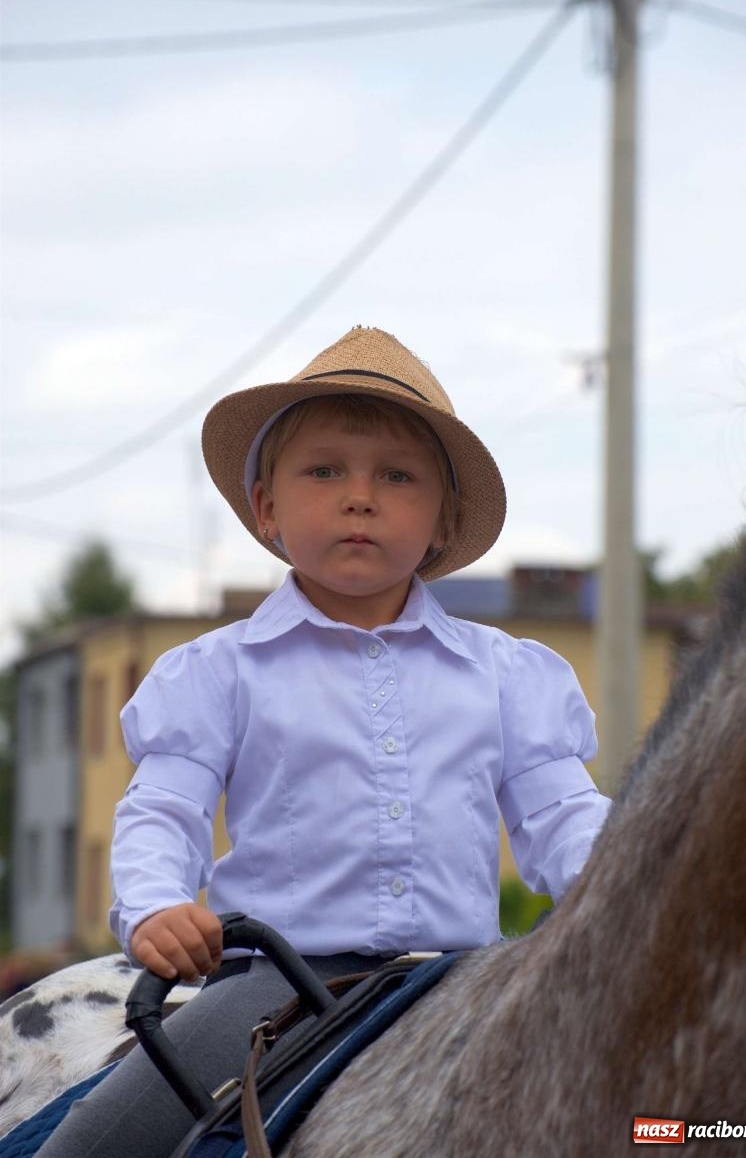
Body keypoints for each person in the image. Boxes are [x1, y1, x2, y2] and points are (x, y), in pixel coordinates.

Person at [41, 325, 611, 1156]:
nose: (360, 495)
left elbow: (567, 819)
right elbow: (163, 808)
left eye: (397, 475)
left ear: (443, 520)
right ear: (267, 508)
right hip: (274, 986)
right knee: (90, 1149)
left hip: (463, 983)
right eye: (324, 469)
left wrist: (626, 890)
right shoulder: (216, 671)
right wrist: (156, 904)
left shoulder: (510, 676)